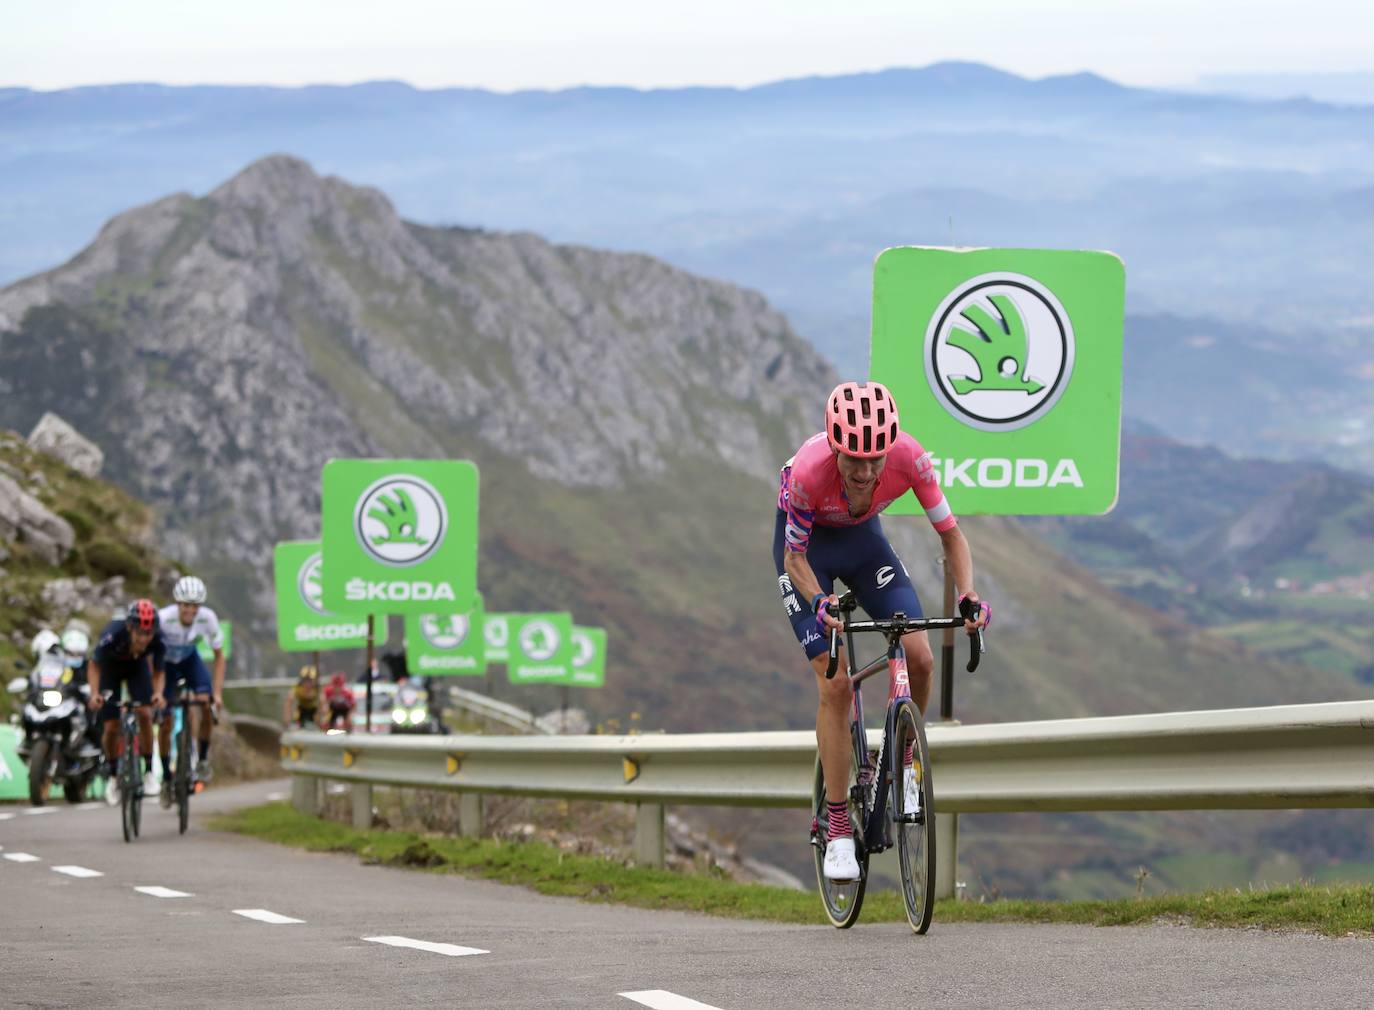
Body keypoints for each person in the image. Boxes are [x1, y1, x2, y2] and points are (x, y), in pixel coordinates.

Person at [774, 381, 990, 882]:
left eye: (876, 458)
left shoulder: (910, 459)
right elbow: (794, 557)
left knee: (921, 657)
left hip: (865, 546)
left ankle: (907, 762)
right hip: (810, 556)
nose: (866, 472)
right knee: (836, 683)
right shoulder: (807, 473)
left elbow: (951, 536)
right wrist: (818, 601)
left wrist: (968, 594)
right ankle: (837, 827)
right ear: (834, 445)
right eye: (854, 459)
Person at [86, 600, 166, 805]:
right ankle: (113, 777)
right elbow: (94, 665)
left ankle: (148, 772)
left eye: (148, 634)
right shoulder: (112, 634)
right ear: (130, 627)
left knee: (145, 714)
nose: (144, 638)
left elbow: (158, 671)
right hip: (110, 671)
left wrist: (157, 693)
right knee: (111, 726)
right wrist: (95, 693)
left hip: (137, 669)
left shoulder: (158, 639)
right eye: (140, 632)